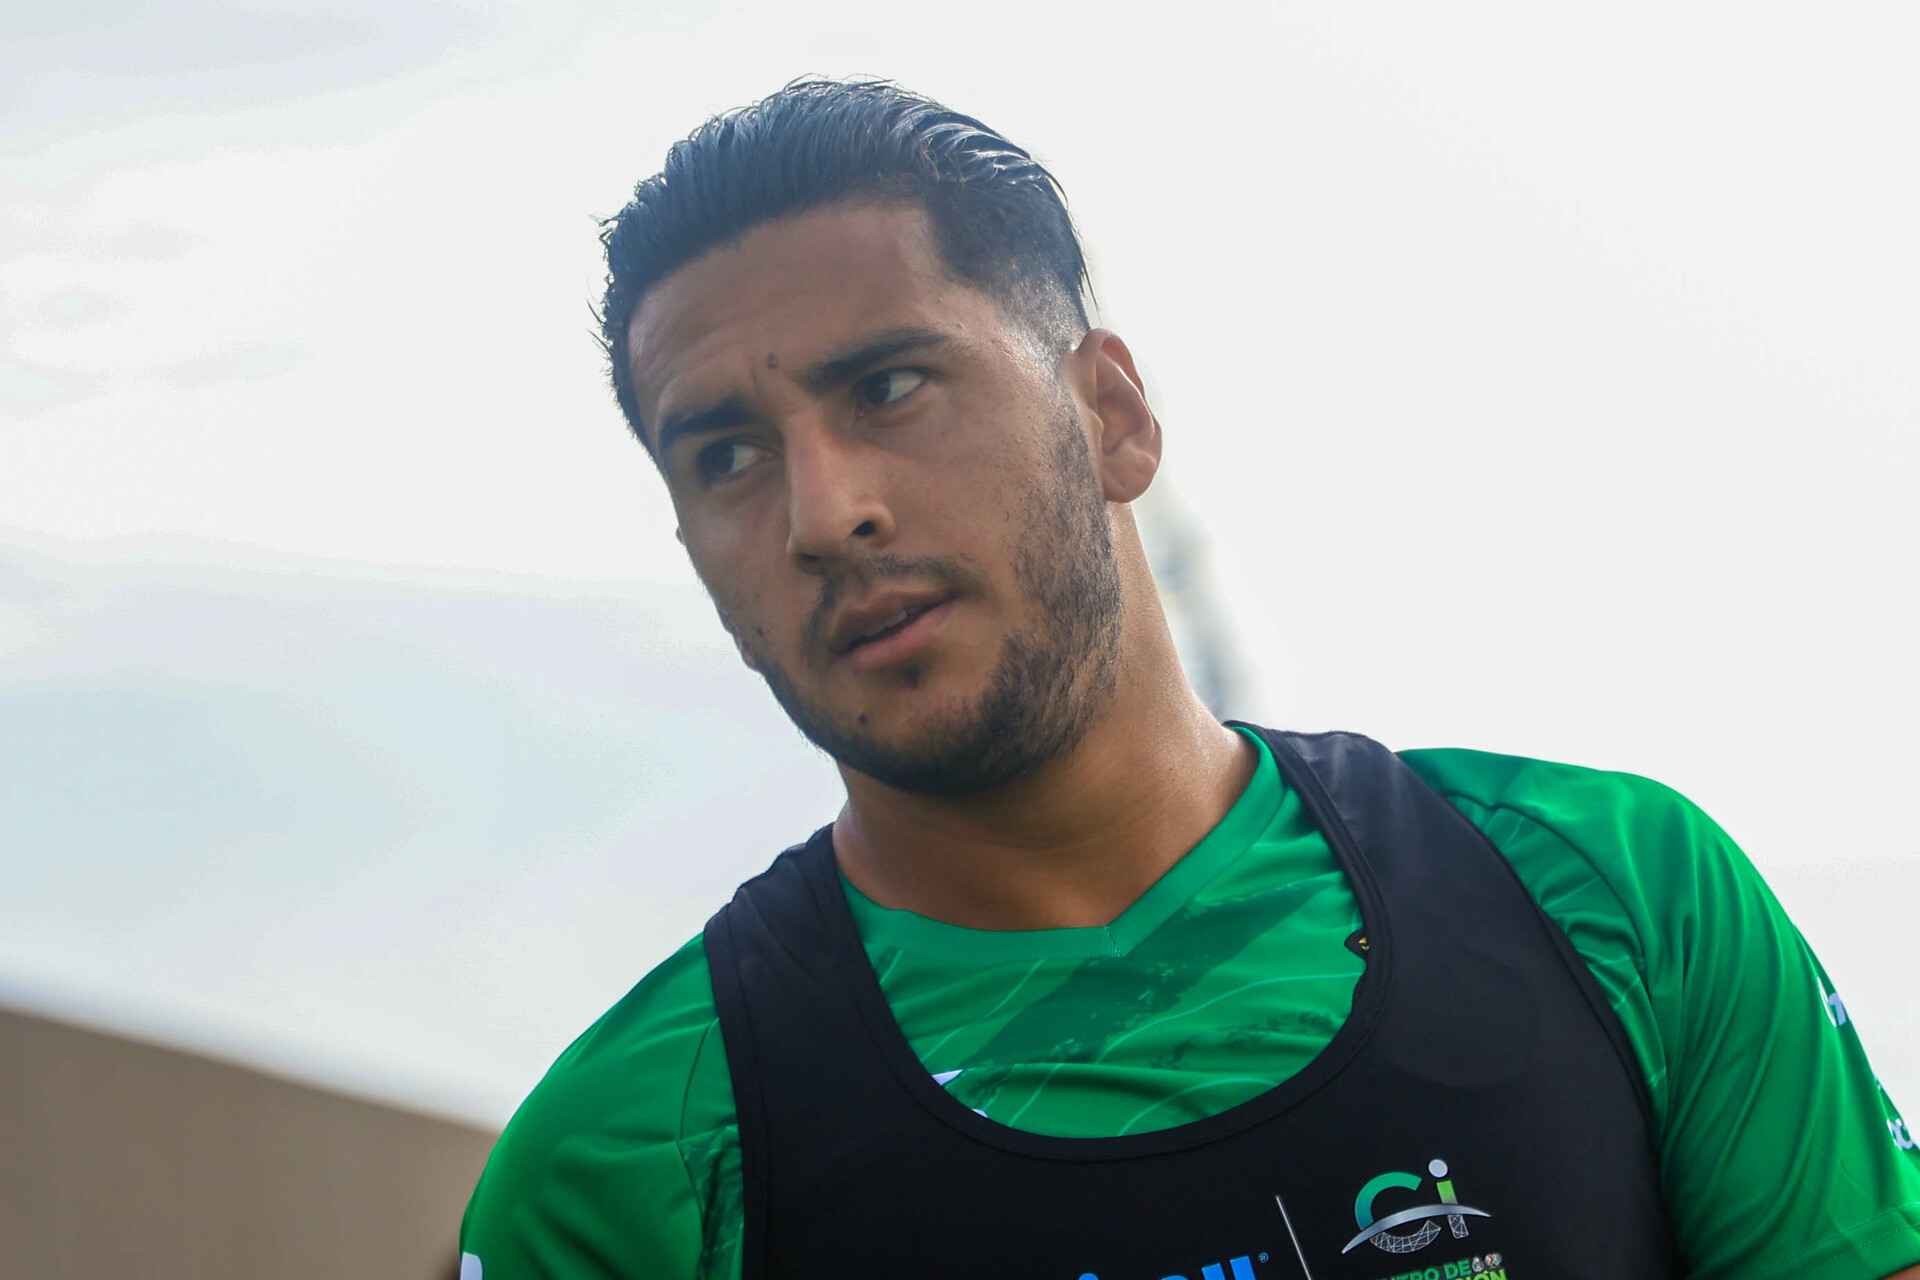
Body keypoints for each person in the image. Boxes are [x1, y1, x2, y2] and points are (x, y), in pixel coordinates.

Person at [458, 79, 1920, 1280]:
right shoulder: (632, 1165)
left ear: (1111, 415)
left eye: (889, 388)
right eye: (727, 454)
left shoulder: (1614, 896)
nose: (824, 512)